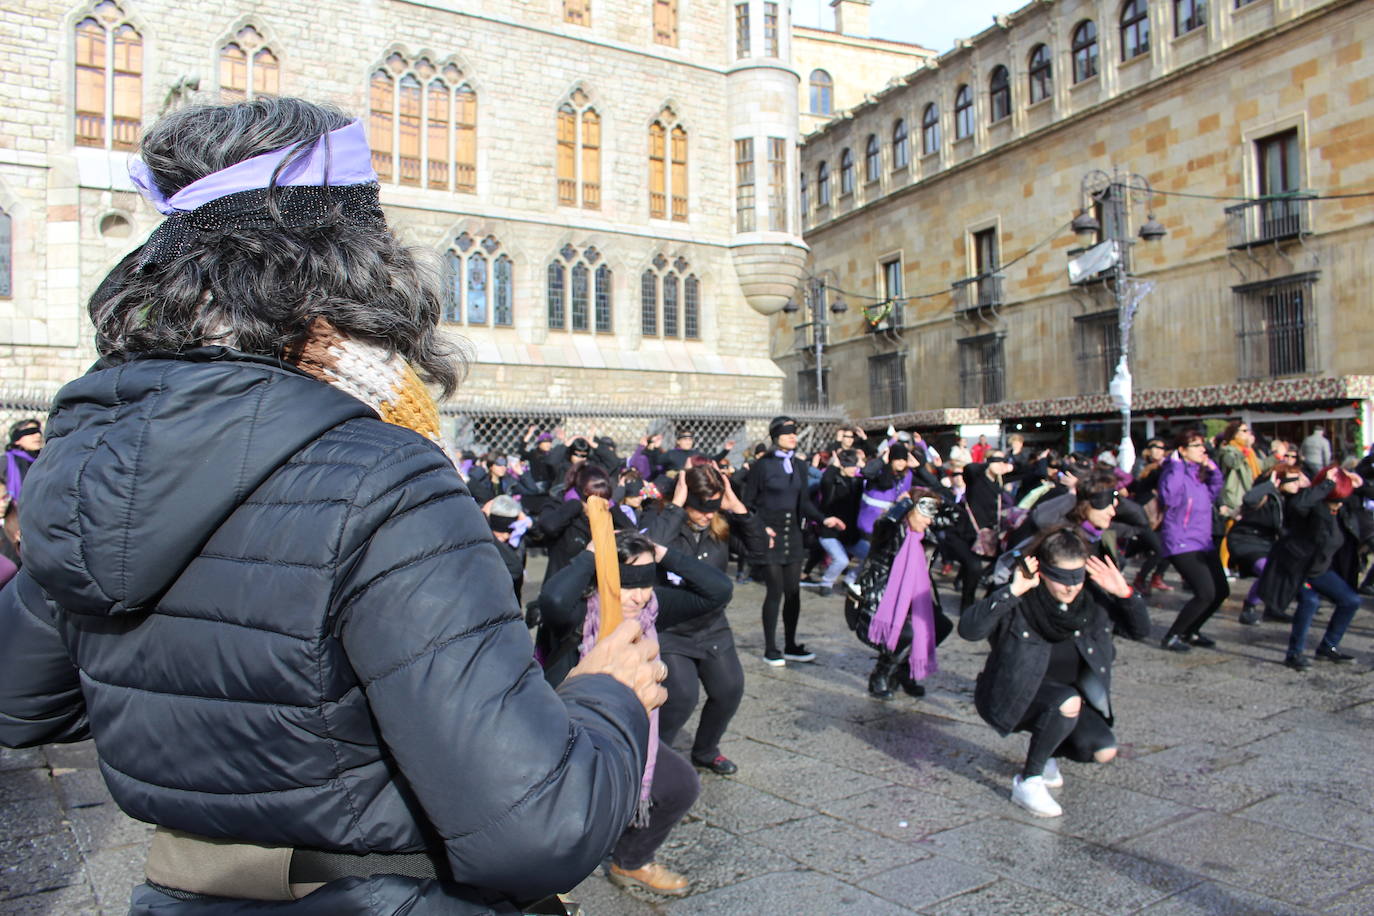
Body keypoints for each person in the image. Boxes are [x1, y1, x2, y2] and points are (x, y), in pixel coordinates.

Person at [0, 99, 664, 914]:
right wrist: (608, 696)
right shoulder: (384, 479)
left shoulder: (87, 459)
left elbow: (21, 699)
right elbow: (539, 827)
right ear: (347, 263)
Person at [537, 530, 732, 897]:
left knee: (680, 786)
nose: (638, 595)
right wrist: (591, 555)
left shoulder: (652, 609)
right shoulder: (579, 610)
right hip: (564, 733)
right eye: (628, 583)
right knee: (560, 814)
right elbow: (553, 599)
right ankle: (544, 882)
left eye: (646, 582)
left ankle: (631, 860)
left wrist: (662, 554)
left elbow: (717, 590)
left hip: (625, 731)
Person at [959, 525, 1149, 818]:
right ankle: (1029, 780)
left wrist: (1124, 593)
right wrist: (1011, 591)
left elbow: (1140, 631)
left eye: (1077, 577)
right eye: (1061, 578)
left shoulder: (1092, 602)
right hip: (1013, 691)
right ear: (1043, 571)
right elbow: (970, 630)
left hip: (1065, 699)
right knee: (1066, 702)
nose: (1070, 586)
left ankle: (1046, 751)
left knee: (1103, 750)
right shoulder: (1022, 598)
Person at [645, 465, 762, 776]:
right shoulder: (663, 521)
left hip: (711, 626)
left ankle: (706, 749)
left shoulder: (720, 528)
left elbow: (761, 550)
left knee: (729, 689)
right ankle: (654, 760)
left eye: (714, 507)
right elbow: (647, 548)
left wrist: (738, 508)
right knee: (681, 697)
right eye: (701, 507)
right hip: (671, 628)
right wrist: (675, 507)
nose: (708, 515)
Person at [742, 415, 845, 665]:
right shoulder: (762, 466)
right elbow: (747, 504)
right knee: (774, 591)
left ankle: (790, 644)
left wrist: (824, 519)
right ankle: (770, 648)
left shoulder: (799, 466)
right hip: (770, 534)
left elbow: (805, 503)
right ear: (776, 437)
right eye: (788, 433)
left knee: (793, 592)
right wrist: (761, 528)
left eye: (794, 433)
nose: (793, 437)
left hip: (793, 535)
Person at [1258, 465, 1371, 669]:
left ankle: (1328, 647)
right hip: (1297, 568)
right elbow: (1298, 504)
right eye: (1334, 500)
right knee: (1309, 602)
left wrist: (1359, 483)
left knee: (1351, 600)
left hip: (1320, 569)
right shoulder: (1312, 506)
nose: (1336, 506)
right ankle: (1294, 654)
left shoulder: (1342, 509)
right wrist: (1326, 484)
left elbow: (1361, 502)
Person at [846, 488, 953, 700]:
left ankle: (903, 670)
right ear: (910, 510)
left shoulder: (925, 535)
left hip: (913, 598)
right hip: (880, 599)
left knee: (941, 626)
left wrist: (933, 492)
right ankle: (880, 675)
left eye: (932, 514)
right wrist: (903, 503)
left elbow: (956, 516)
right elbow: (885, 523)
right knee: (907, 634)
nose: (929, 520)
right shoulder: (892, 531)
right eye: (925, 513)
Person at [1157, 430, 1228, 652]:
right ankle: (1173, 635)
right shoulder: (1173, 471)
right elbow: (1168, 496)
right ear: (1183, 450)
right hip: (1181, 541)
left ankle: (1191, 631)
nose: (1202, 450)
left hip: (1202, 541)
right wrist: (1177, 465)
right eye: (1196, 446)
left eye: (1202, 445)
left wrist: (1213, 470)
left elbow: (1214, 492)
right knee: (1205, 592)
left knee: (1221, 591)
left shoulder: (1199, 474)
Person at [1228, 462, 1306, 625]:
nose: (1297, 484)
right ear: (1279, 481)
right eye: (1293, 480)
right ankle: (1248, 607)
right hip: (1246, 540)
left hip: (1267, 543)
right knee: (1267, 570)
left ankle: (1273, 609)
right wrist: (1269, 484)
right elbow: (1249, 499)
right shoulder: (1267, 493)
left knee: (1277, 571)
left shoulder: (1289, 498)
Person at [535, 462, 635, 580]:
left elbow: (633, 532)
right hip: (564, 584)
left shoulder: (605, 512)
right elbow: (548, 526)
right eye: (592, 499)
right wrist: (576, 504)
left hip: (595, 587)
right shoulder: (560, 506)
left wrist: (611, 506)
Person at [816, 449, 864, 596]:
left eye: (855, 465)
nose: (854, 469)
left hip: (849, 534)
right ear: (842, 465)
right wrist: (834, 465)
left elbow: (870, 475)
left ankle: (849, 580)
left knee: (871, 555)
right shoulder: (832, 481)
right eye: (850, 465)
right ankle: (826, 583)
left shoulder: (856, 482)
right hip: (830, 533)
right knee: (841, 560)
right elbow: (825, 481)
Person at [4, 418, 43, 505]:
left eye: (38, 432)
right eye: (30, 432)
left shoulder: (46, 460)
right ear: (17, 439)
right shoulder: (5, 461)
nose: (38, 435)